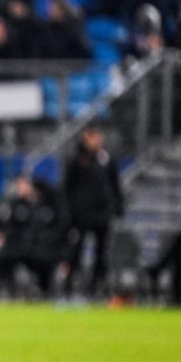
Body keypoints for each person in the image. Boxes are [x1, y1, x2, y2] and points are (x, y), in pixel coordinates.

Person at [62, 125, 123, 297]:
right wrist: (70, 212)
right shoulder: (76, 159)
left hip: (102, 214)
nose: (98, 140)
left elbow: (114, 184)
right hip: (81, 215)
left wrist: (118, 207)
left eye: (99, 136)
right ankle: (70, 284)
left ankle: (96, 285)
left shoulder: (106, 159)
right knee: (75, 250)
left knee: (102, 252)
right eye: (94, 136)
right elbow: (68, 188)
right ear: (85, 137)